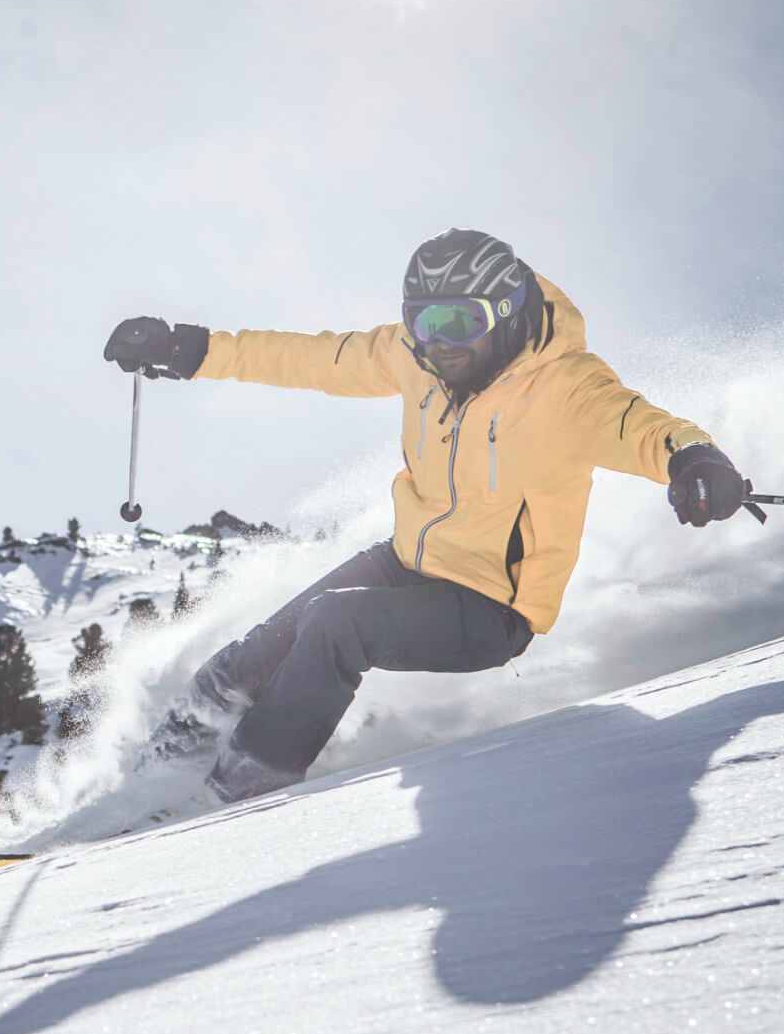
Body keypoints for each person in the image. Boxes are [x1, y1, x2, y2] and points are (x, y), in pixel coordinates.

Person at [103, 228, 750, 803]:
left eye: (457, 322)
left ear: (504, 312)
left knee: (334, 624)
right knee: (250, 657)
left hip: (493, 607)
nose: (437, 343)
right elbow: (308, 358)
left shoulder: (565, 387)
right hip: (407, 560)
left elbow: (643, 426)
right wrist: (190, 348)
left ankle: (229, 797)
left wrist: (695, 459)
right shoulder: (414, 356)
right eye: (421, 322)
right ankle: (146, 787)